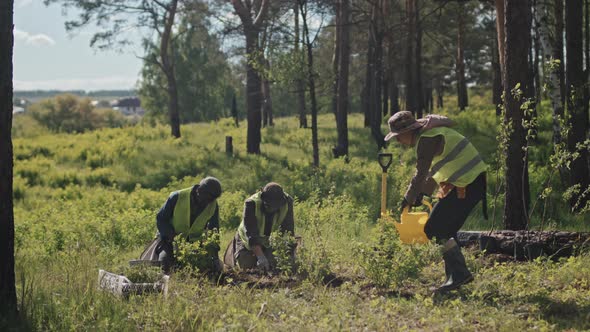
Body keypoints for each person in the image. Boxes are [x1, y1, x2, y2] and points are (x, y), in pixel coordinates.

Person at [385, 111, 487, 293]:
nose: (399, 141)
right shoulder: (431, 134)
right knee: (443, 229)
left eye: (399, 137)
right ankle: (455, 277)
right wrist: (422, 194)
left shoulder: (427, 139)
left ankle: (459, 274)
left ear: (410, 130)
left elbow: (421, 173)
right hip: (468, 183)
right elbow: (433, 172)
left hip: (468, 184)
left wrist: (407, 198)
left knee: (434, 228)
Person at [146, 176, 222, 273]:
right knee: (165, 264)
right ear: (199, 190)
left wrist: (213, 253)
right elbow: (161, 219)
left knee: (211, 269)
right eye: (207, 199)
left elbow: (214, 230)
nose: (208, 203)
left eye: (212, 200)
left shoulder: (213, 205)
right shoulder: (176, 197)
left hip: (195, 245)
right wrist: (173, 238)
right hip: (169, 241)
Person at [224, 182, 295, 272]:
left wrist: (289, 255)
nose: (272, 209)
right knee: (246, 265)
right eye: (269, 206)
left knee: (276, 264)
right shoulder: (251, 203)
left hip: (268, 239)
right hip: (246, 238)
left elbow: (288, 231)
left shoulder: (287, 202)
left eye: (275, 207)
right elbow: (251, 233)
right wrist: (260, 257)